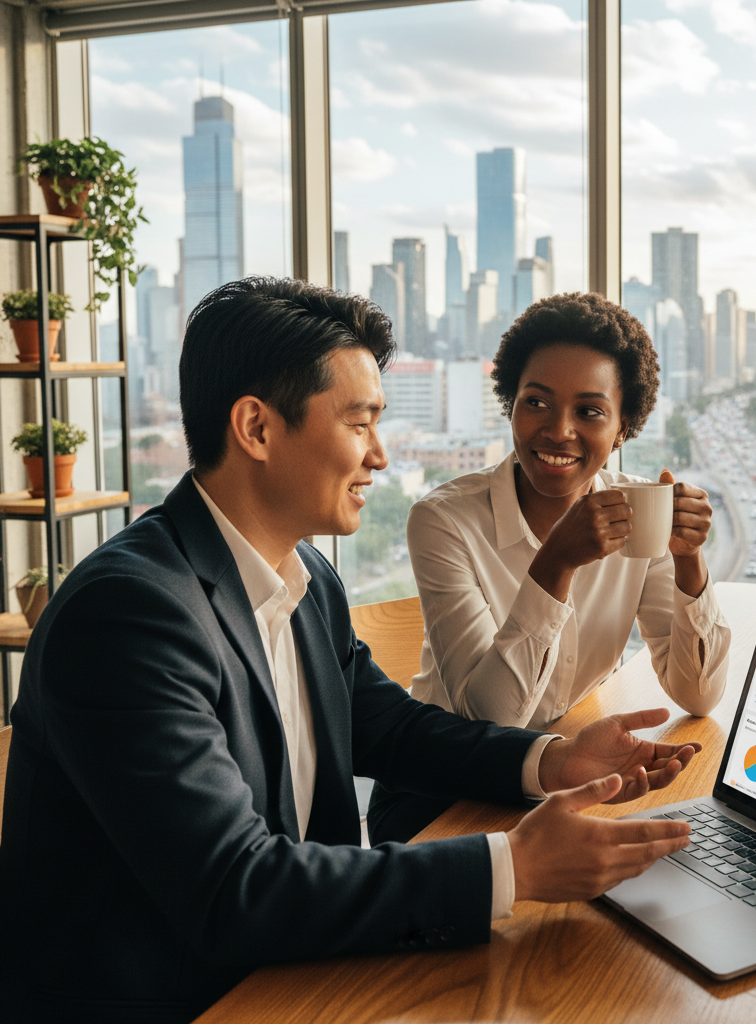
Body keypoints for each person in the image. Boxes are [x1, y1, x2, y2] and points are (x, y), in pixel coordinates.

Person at [0, 277, 704, 1024]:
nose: (381, 456)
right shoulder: (129, 615)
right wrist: (514, 866)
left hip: (296, 962)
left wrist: (551, 762)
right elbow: (232, 891)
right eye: (361, 422)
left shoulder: (305, 579)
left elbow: (391, 729)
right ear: (257, 429)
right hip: (182, 998)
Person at [369, 292, 730, 844]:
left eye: (589, 411)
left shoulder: (642, 513)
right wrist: (556, 563)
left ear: (623, 425)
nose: (558, 430)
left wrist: (688, 562)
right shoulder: (444, 520)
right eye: (536, 402)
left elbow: (698, 696)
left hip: (567, 774)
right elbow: (492, 716)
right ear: (511, 402)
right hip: (444, 791)